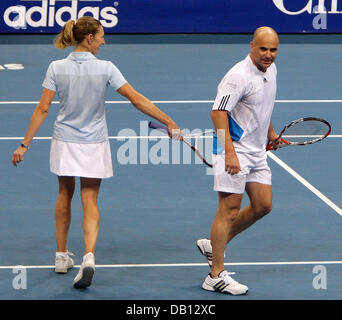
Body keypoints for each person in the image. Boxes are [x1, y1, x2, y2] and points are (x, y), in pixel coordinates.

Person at [12, 16, 181, 289]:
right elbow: (136, 98)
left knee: (64, 194)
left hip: (64, 141)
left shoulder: (56, 67)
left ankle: (60, 256)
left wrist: (25, 144)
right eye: (102, 35)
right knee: (89, 199)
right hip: (94, 143)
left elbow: (43, 108)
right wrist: (169, 122)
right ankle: (88, 256)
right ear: (89, 38)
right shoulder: (106, 68)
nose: (104, 40)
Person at [196, 26, 280, 295]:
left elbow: (262, 107)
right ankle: (215, 275)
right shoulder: (238, 76)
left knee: (263, 205)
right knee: (229, 210)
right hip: (233, 150)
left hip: (256, 151)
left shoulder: (271, 71)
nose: (268, 55)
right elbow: (218, 113)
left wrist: (270, 133)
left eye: (273, 50)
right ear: (252, 46)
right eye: (263, 49)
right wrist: (230, 153)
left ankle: (214, 245)